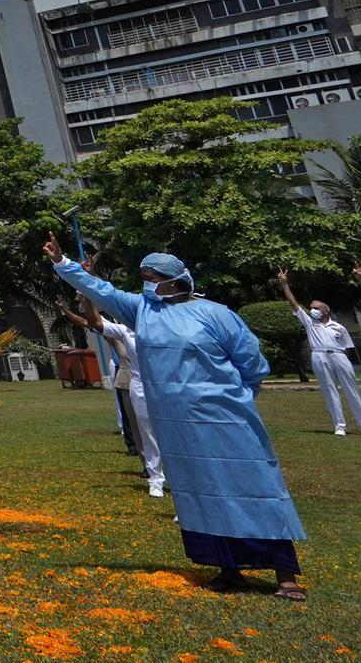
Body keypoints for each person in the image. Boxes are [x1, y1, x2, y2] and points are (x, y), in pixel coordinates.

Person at [47, 235, 308, 601]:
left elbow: (251, 364)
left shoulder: (216, 313)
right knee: (203, 491)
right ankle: (228, 568)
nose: (146, 283)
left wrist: (237, 398)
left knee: (254, 486)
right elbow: (99, 289)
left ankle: (285, 574)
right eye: (143, 276)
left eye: (152, 276)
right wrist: (62, 263)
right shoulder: (141, 310)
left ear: (176, 278)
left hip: (225, 418)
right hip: (177, 423)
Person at [57, 292, 165, 497]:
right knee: (145, 431)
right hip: (137, 382)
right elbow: (92, 321)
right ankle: (155, 477)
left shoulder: (163, 326)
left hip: (166, 384)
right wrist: (86, 295)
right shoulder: (125, 330)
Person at [277, 268, 361, 437]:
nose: (312, 310)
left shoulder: (339, 327)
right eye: (311, 307)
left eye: (316, 307)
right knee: (329, 391)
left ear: (325, 311)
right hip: (319, 355)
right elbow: (293, 304)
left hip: (339, 355)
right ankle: (339, 426)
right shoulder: (310, 323)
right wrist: (285, 284)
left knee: (351, 390)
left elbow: (348, 347)